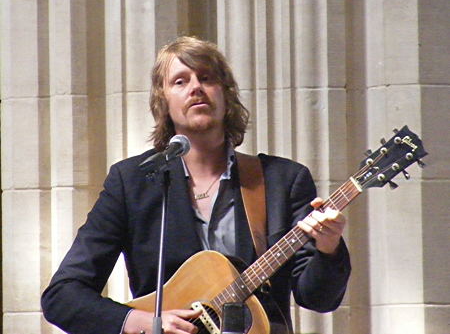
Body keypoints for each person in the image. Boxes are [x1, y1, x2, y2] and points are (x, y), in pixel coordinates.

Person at [41, 36, 351, 334]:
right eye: (180, 81)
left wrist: (328, 247)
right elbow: (63, 296)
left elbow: (318, 299)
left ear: (225, 95)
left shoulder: (282, 180)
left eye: (207, 78)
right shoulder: (133, 182)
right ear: (163, 99)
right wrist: (144, 322)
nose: (196, 88)